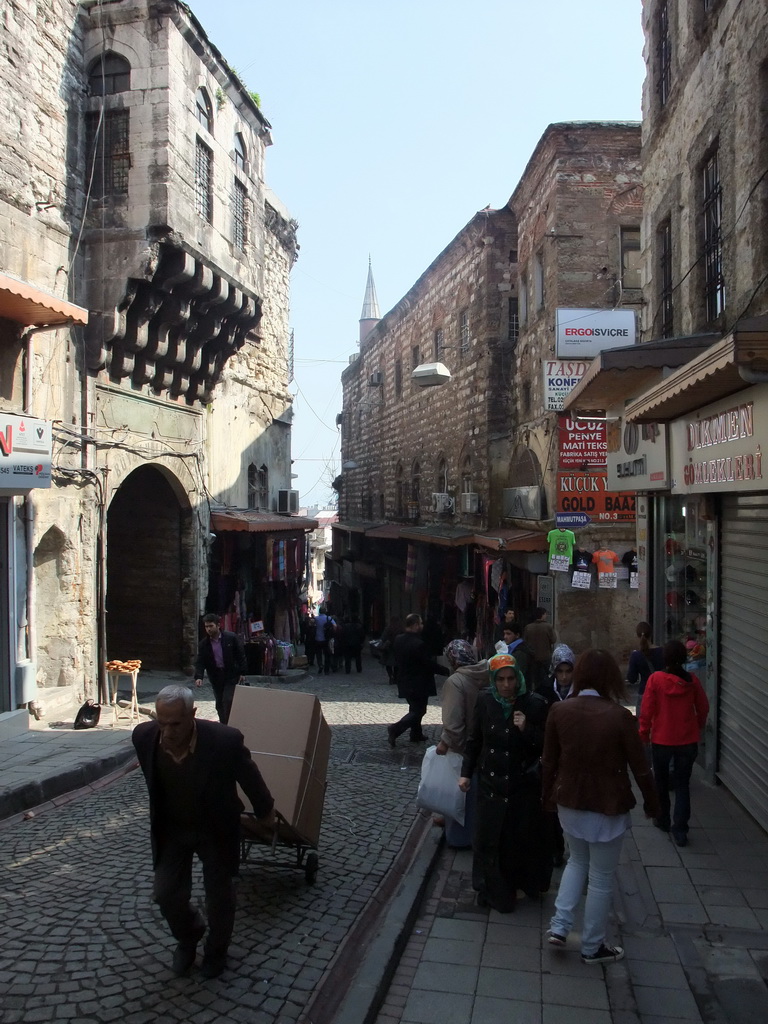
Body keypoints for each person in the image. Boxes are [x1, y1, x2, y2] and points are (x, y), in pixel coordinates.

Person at [132, 685, 275, 978]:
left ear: (193, 715)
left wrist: (265, 813)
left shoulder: (224, 741)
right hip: (172, 828)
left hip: (215, 828)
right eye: (162, 722)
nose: (168, 731)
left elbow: (250, 776)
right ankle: (189, 935)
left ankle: (216, 951)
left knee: (220, 897)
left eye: (175, 724)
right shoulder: (144, 737)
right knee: (165, 894)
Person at [542, 649, 660, 964]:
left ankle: (559, 926)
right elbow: (641, 767)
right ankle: (592, 946)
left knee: (576, 862)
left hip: (570, 800)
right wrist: (653, 802)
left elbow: (549, 761)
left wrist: (546, 796)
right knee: (601, 876)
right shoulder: (619, 716)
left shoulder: (559, 711)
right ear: (609, 677)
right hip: (607, 804)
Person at [459, 652, 551, 912]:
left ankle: (521, 882)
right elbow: (475, 739)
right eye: (501, 679)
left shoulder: (533, 704)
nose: (506, 685)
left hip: (521, 784)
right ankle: (490, 888)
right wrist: (466, 773)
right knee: (489, 838)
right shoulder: (487, 700)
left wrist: (527, 730)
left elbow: (547, 745)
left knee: (517, 838)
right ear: (494, 680)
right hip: (491, 783)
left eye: (511, 678)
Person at [639, 639, 710, 847]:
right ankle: (681, 829)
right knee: (682, 785)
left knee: (661, 783)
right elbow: (703, 707)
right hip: (687, 740)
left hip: (661, 739)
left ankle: (662, 820)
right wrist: (696, 725)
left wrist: (644, 733)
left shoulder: (656, 680)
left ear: (665, 658)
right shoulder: (692, 681)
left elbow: (647, 710)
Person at [435, 639, 489, 849]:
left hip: (465, 749)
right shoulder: (485, 673)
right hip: (485, 744)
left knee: (461, 796)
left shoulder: (456, 682)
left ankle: (460, 838)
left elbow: (453, 722)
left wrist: (451, 744)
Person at [387, 613, 449, 746]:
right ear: (415, 625)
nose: (422, 626)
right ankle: (395, 729)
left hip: (404, 679)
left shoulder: (398, 639)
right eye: (420, 623)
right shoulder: (418, 644)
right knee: (419, 710)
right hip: (418, 682)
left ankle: (416, 733)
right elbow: (427, 663)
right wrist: (446, 671)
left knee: (414, 708)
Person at [194, 614, 247, 725]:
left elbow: (240, 655)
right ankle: (224, 724)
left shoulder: (230, 638)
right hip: (216, 677)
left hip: (231, 675)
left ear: (218, 625)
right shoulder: (204, 644)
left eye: (211, 626)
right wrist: (199, 676)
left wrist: (242, 672)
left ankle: (230, 723)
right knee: (219, 704)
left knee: (227, 700)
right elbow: (200, 661)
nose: (208, 629)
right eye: (206, 626)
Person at [626, 621, 664, 716]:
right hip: (661, 693)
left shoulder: (635, 655)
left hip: (644, 693)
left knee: (643, 724)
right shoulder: (663, 652)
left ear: (638, 636)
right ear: (651, 634)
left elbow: (632, 679)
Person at [523, 607, 556, 691]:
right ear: (542, 615)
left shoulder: (528, 627)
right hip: (545, 657)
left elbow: (524, 642)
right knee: (548, 678)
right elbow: (553, 640)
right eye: (545, 614)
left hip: (532, 657)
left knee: (534, 680)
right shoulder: (548, 626)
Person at [379, 617, 402, 684]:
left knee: (388, 664)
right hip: (397, 649)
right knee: (396, 665)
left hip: (389, 649)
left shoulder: (388, 629)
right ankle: (395, 677)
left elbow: (383, 638)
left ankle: (391, 676)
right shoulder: (401, 629)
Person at [313, 605, 332, 675]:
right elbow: (335, 626)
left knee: (318, 654)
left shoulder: (316, 618)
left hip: (318, 638)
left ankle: (320, 665)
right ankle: (326, 669)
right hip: (326, 639)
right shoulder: (328, 618)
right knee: (327, 654)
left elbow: (312, 625)